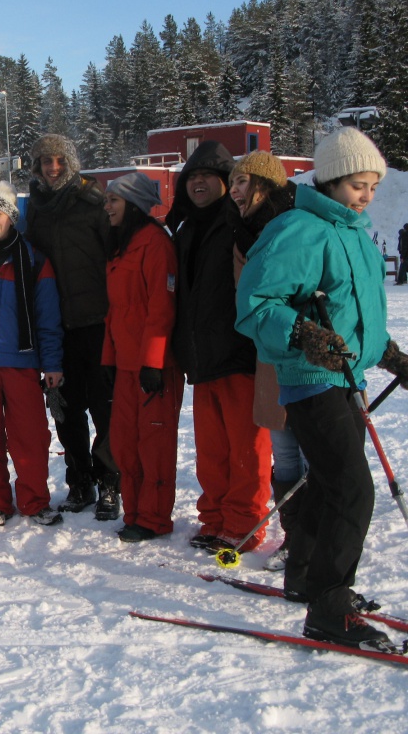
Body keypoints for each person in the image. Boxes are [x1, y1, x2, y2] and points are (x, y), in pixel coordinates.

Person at [236, 127, 408, 649]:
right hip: (311, 381)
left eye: (374, 186)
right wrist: (304, 335)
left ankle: (310, 579)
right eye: (359, 185)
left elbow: (357, 318)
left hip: (346, 378)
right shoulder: (299, 229)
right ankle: (329, 610)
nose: (368, 196)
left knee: (331, 487)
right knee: (353, 491)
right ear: (332, 180)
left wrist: (391, 354)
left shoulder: (355, 233)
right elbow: (256, 304)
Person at [168, 141, 271, 553]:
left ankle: (245, 525)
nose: (198, 183)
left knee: (246, 448)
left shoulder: (239, 224)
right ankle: (214, 518)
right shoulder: (186, 228)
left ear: (227, 183)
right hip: (202, 357)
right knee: (211, 451)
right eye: (192, 177)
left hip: (238, 353)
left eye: (207, 176)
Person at [24, 134, 119, 520]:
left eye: (60, 160)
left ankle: (110, 481)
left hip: (96, 323)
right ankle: (80, 481)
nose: (53, 168)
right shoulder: (34, 209)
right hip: (56, 327)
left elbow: (117, 256)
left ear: (72, 162)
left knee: (104, 410)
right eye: (46, 161)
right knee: (65, 411)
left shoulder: (93, 202)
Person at [0, 182, 63, 527]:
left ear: (11, 218)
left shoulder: (35, 260)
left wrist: (52, 363)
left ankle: (35, 501)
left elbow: (48, 318)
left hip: (22, 362)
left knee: (31, 437)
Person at [229, 151, 304, 570]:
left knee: (313, 454)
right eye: (234, 182)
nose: (235, 191)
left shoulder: (294, 227)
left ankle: (316, 540)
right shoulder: (240, 232)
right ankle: (295, 538)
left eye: (243, 182)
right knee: (286, 454)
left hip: (307, 355)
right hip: (268, 356)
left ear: (265, 184)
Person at [100, 174, 183, 543]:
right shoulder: (123, 245)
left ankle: (153, 518)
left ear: (132, 203)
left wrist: (154, 362)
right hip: (125, 365)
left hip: (154, 368)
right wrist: (108, 359)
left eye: (114, 201)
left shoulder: (155, 244)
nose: (108, 208)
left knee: (154, 445)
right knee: (124, 443)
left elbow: (161, 308)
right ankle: (134, 512)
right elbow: (115, 310)